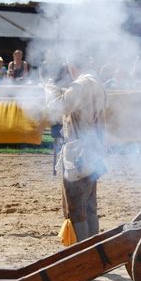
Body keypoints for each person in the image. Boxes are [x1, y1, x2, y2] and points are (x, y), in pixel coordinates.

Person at [45, 71, 107, 241]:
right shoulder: (96, 81)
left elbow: (57, 107)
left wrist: (50, 87)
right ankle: (94, 254)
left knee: (76, 210)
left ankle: (83, 257)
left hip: (79, 152)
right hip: (92, 149)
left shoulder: (80, 85)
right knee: (89, 207)